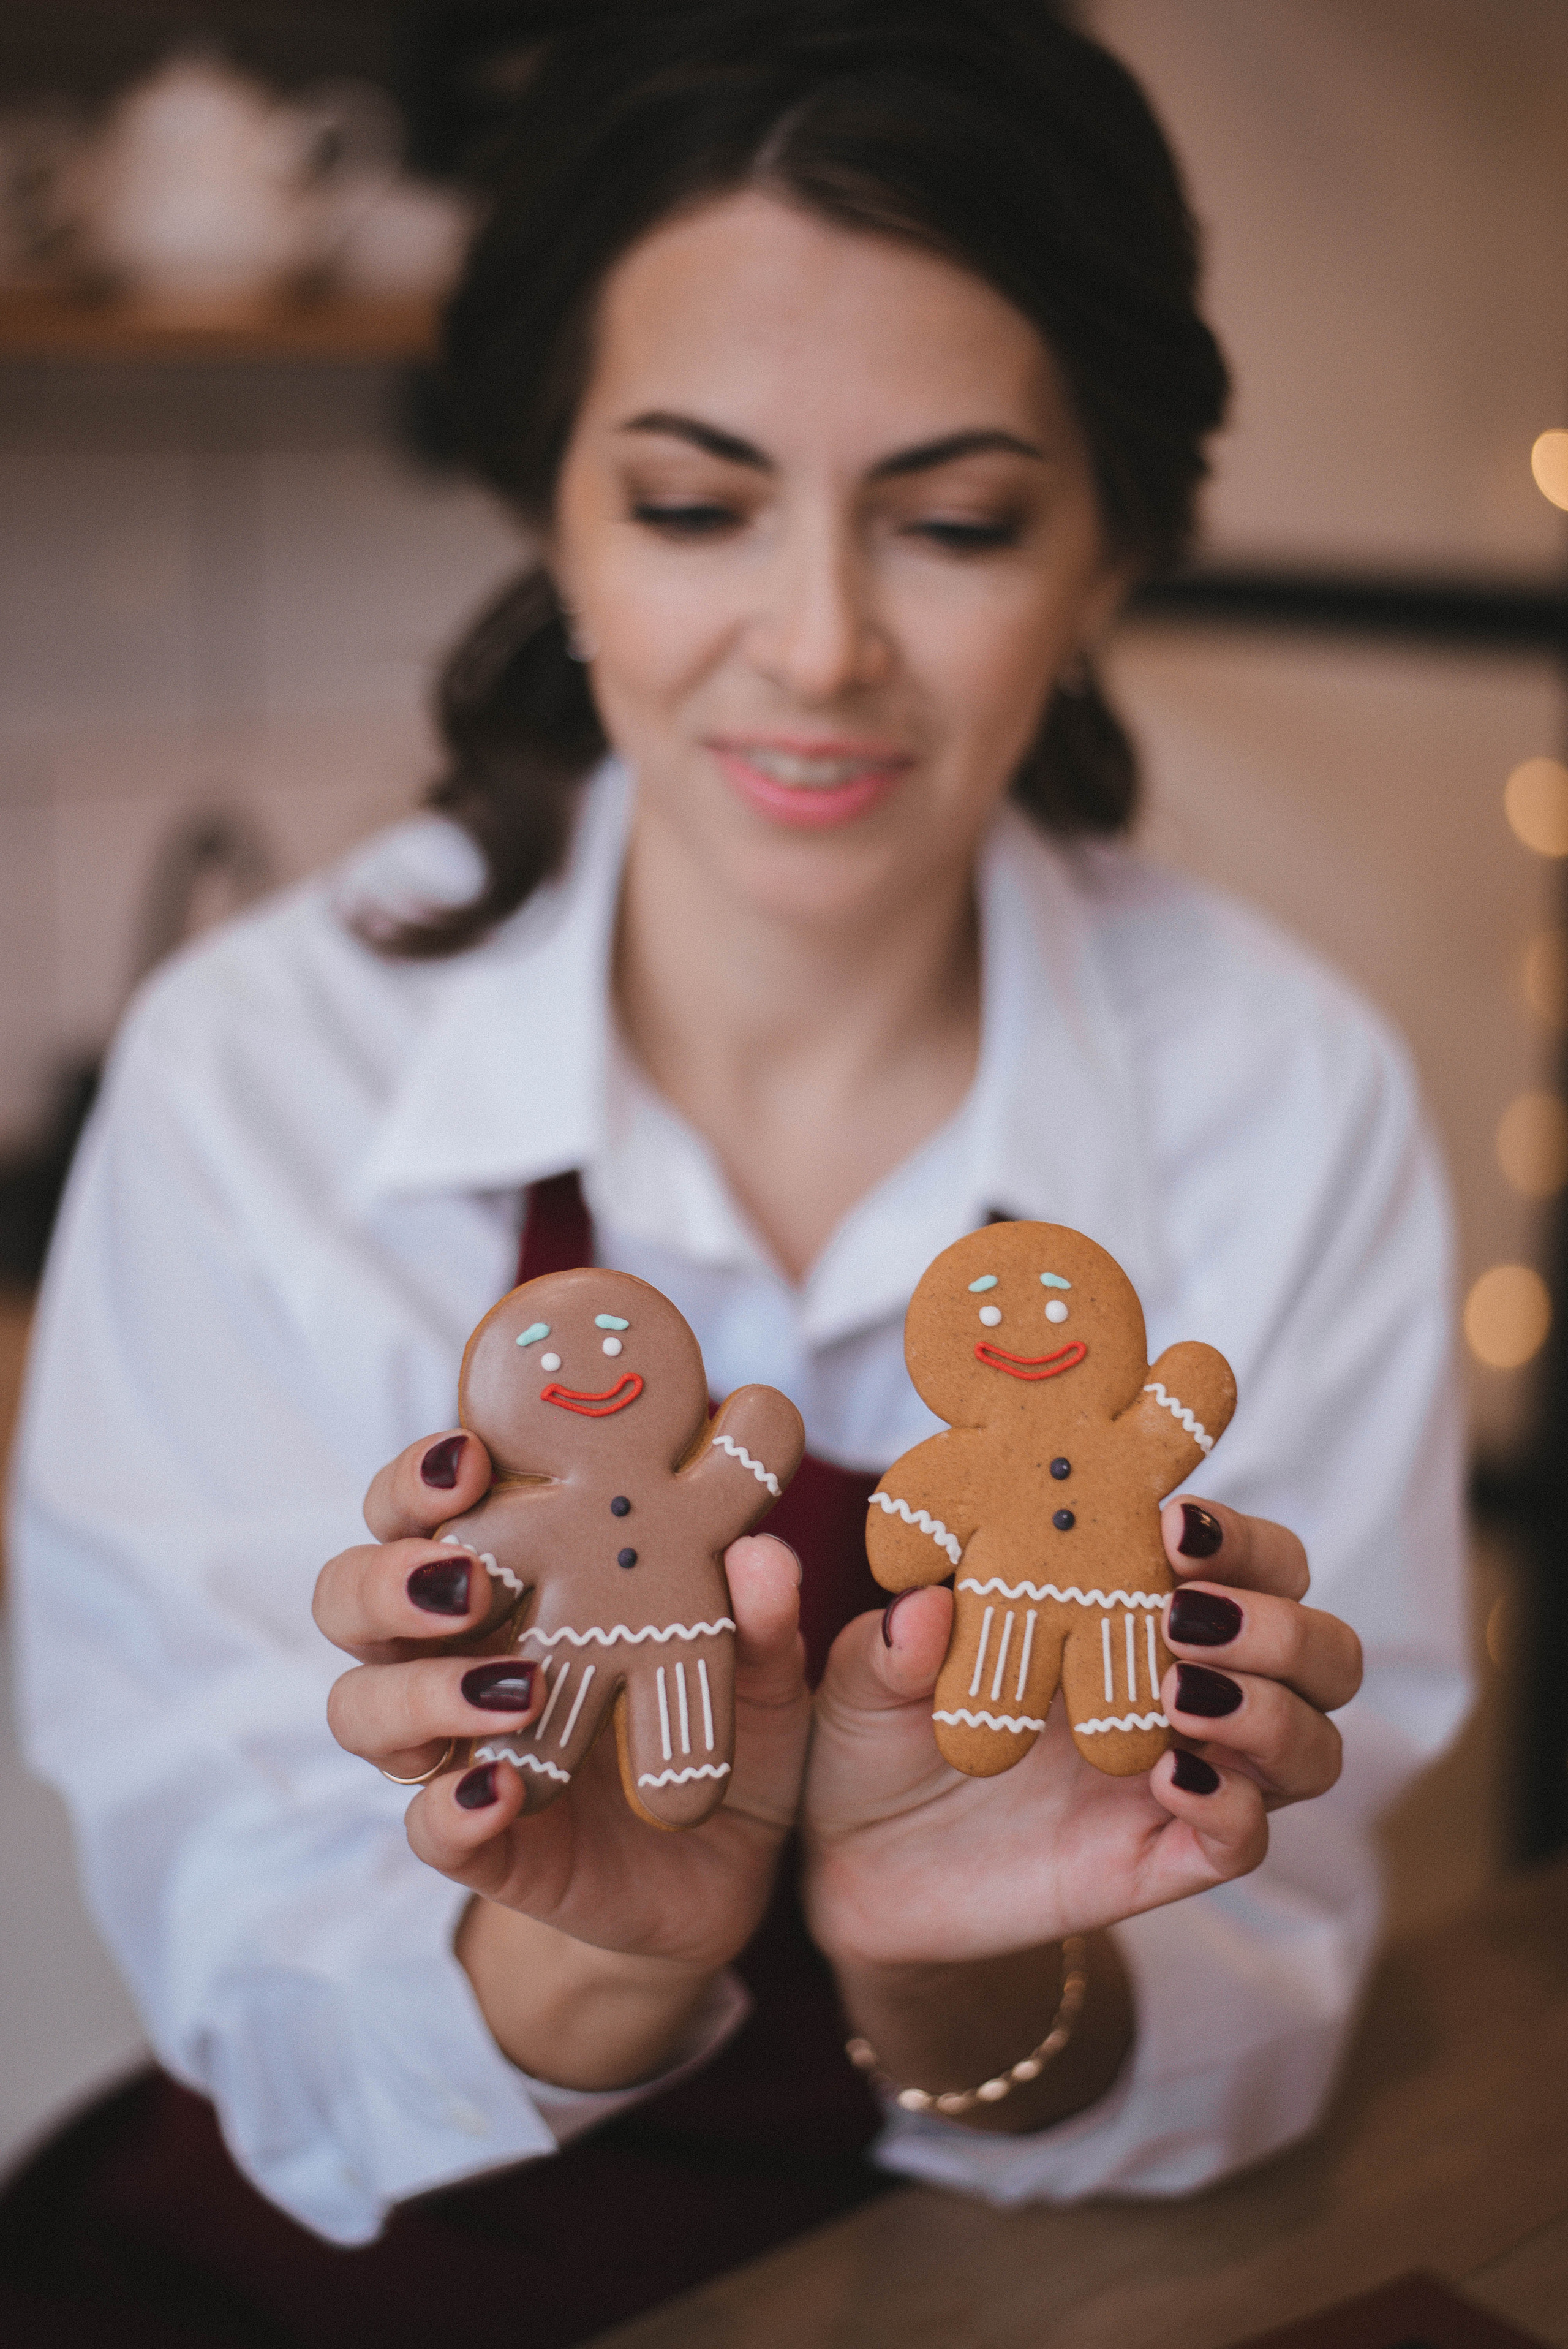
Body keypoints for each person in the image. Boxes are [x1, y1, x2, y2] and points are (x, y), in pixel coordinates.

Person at [5, 6, 1467, 2344]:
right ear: (550, 508)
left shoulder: (1280, 1099)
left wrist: (961, 1945)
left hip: (973, 2282)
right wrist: (590, 1928)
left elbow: (1255, 2015)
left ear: (1115, 541)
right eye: (694, 503)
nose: (815, 646)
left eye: (959, 518)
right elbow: (266, 2000)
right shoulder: (261, 1076)